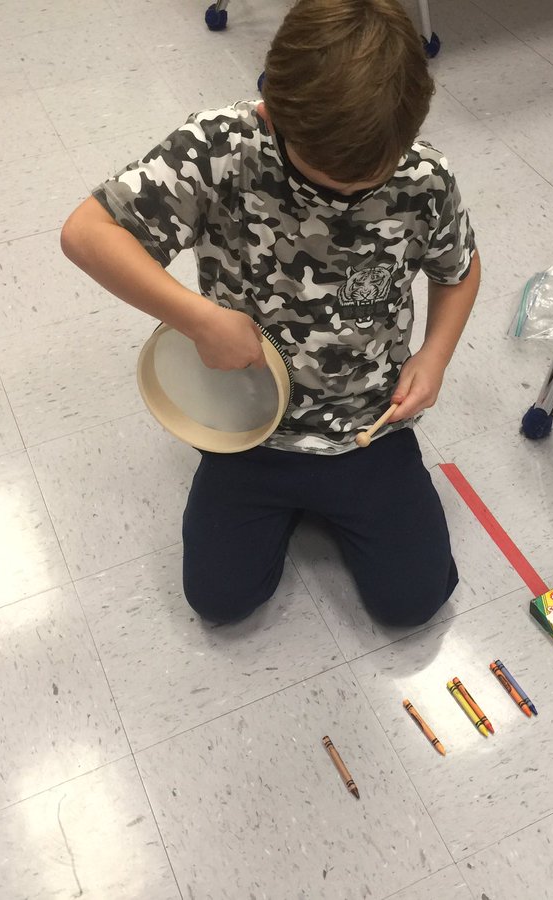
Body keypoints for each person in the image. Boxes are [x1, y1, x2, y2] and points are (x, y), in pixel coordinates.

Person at [60, 0, 481, 628]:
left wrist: (435, 355)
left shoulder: (424, 175)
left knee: (414, 603)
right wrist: (198, 319)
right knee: (219, 601)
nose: (346, 197)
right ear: (271, 112)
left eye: (367, 183)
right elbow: (86, 233)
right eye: (325, 180)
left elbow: (459, 269)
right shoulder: (218, 147)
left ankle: (335, 501)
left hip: (368, 426)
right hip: (248, 427)